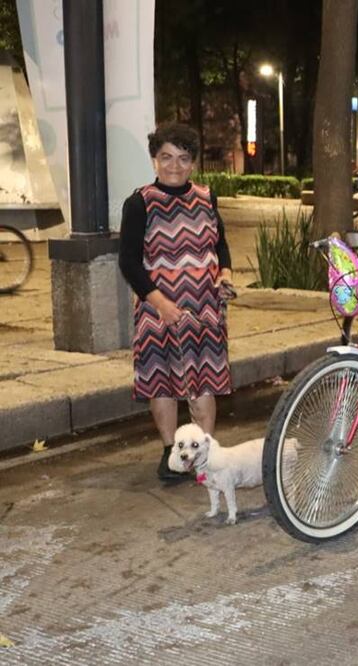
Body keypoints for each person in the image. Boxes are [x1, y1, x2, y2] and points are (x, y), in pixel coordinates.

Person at [118, 122, 233, 482]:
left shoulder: (206, 197)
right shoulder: (139, 203)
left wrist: (225, 274)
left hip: (204, 308)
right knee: (162, 381)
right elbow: (129, 262)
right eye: (166, 157)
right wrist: (161, 304)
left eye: (183, 158)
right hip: (158, 308)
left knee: (204, 381)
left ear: (193, 163)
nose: (174, 165)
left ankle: (204, 452)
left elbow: (220, 244)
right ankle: (171, 451)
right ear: (154, 159)